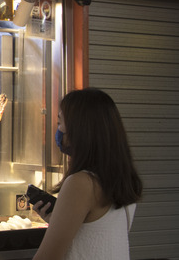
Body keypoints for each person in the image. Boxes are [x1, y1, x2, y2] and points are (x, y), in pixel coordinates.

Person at [33, 88, 142, 260]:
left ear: (80, 129)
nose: (58, 130)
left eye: (60, 123)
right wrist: (58, 221)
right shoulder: (123, 180)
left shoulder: (81, 183)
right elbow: (98, 236)